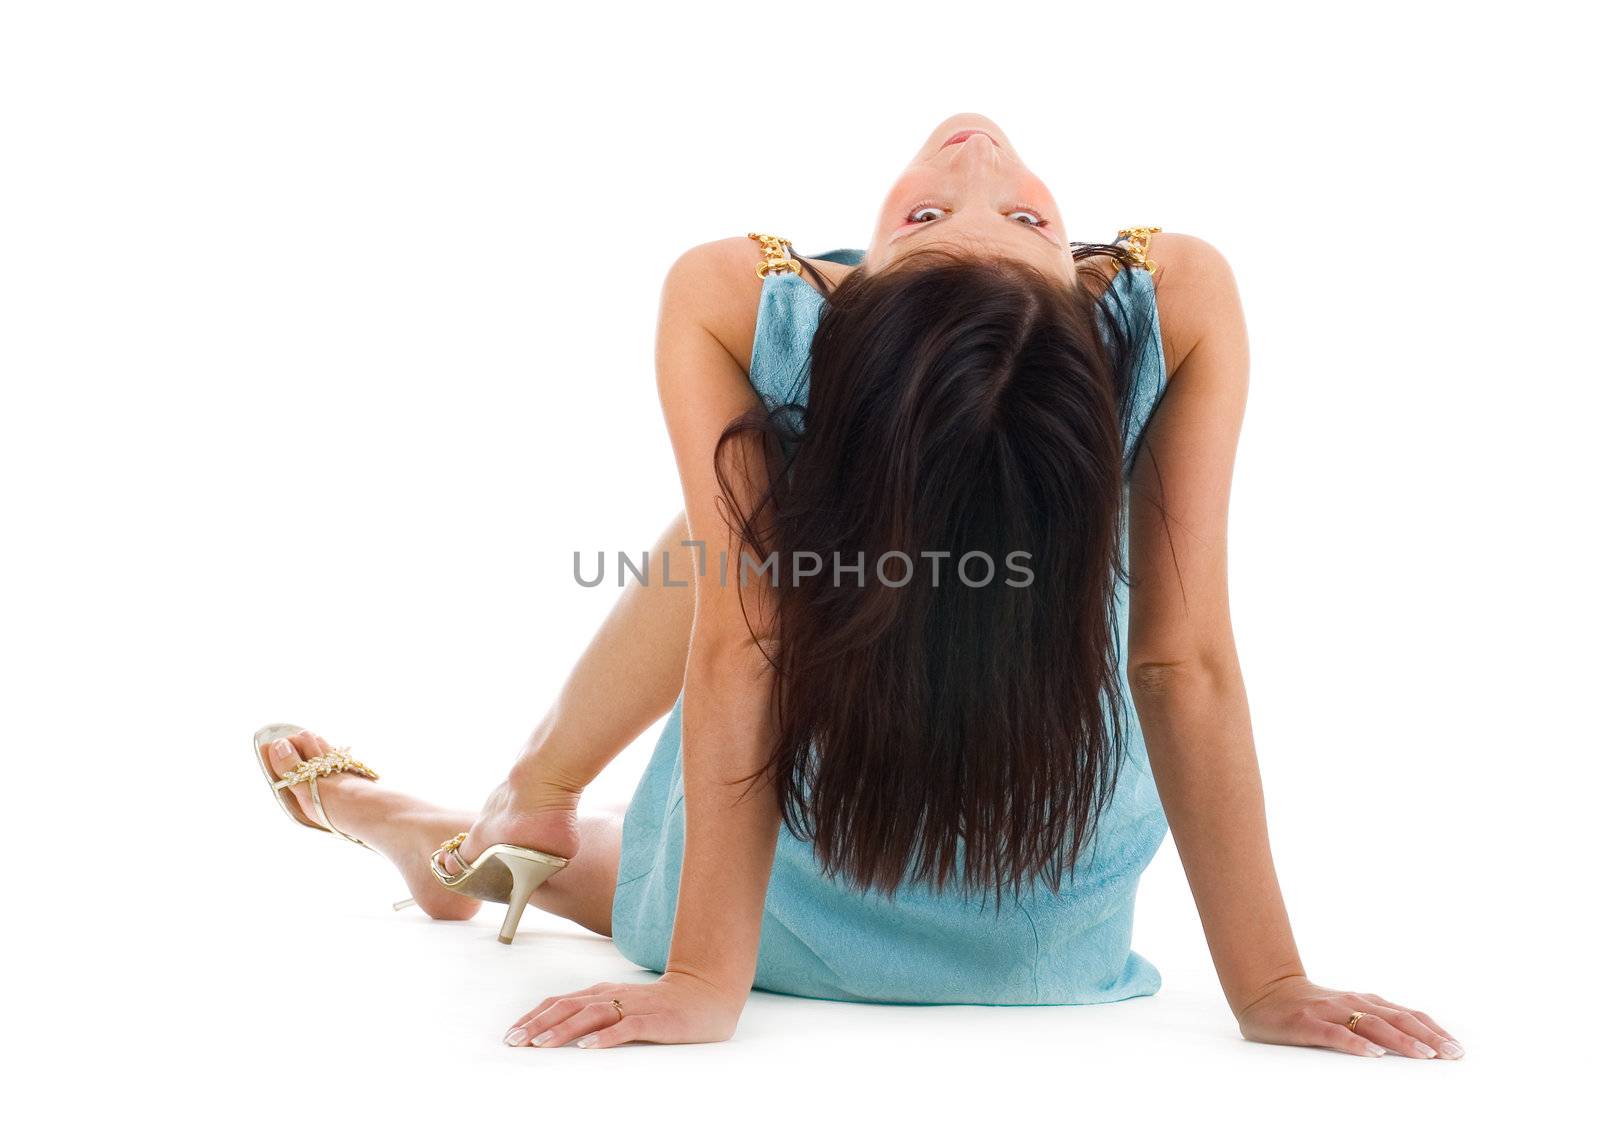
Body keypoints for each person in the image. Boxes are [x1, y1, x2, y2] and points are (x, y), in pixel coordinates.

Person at [254, 113, 1462, 1060]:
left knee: (750, 508)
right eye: (944, 212)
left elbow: (743, 646)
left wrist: (702, 982)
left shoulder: (737, 294)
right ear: (862, 327)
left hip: (848, 850)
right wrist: (1267, 985)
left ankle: (441, 818)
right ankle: (503, 819)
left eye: (1011, 218)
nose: (977, 150)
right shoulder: (1177, 288)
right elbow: (1173, 659)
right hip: (1050, 927)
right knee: (756, 504)